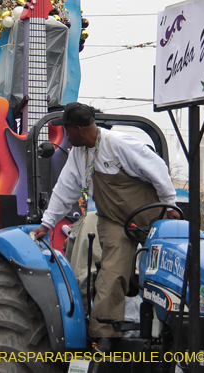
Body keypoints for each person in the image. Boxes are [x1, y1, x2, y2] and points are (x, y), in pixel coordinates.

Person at [31, 102, 179, 351]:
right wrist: (47, 223)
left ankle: (171, 330)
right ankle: (105, 336)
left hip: (150, 215)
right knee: (111, 274)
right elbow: (64, 190)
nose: (65, 135)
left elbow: (158, 170)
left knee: (166, 271)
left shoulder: (118, 144)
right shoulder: (79, 155)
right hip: (114, 221)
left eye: (66, 130)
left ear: (78, 129)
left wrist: (171, 205)